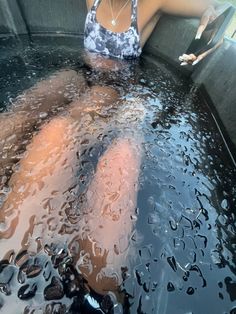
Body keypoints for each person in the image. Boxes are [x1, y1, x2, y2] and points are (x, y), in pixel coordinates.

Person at [0, 0, 221, 311]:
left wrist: (208, 29)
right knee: (19, 114)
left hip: (117, 85)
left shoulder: (150, 3)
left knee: (61, 128)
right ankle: (12, 258)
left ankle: (50, 281)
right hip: (81, 72)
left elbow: (213, 8)